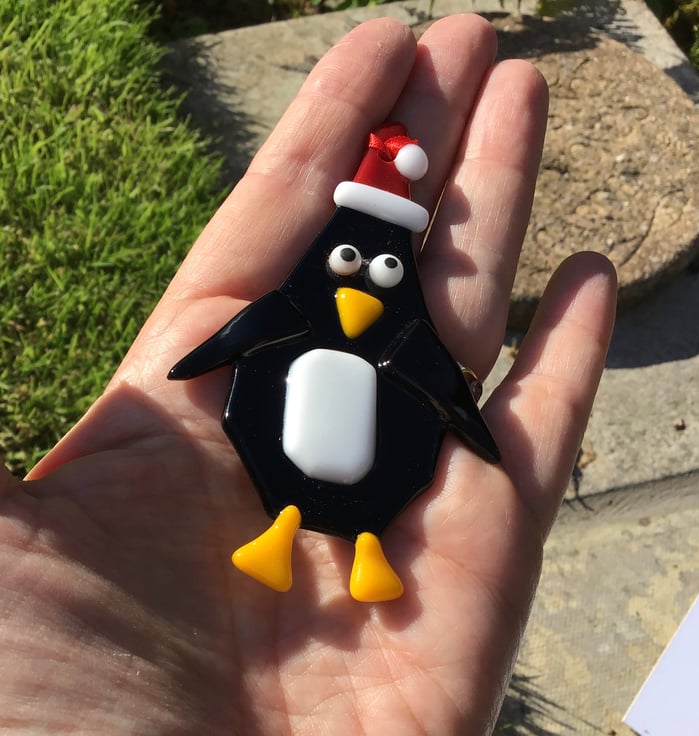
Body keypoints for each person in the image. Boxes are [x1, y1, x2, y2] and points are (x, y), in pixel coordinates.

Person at [0, 14, 616, 735]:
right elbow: (246, 333)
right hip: (286, 468)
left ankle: (362, 543)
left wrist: (469, 425)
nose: (359, 291)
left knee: (383, 452)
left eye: (380, 270)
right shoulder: (302, 311)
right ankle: (292, 530)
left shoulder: (404, 336)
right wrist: (203, 358)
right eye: (352, 264)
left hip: (370, 477)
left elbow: (439, 386)